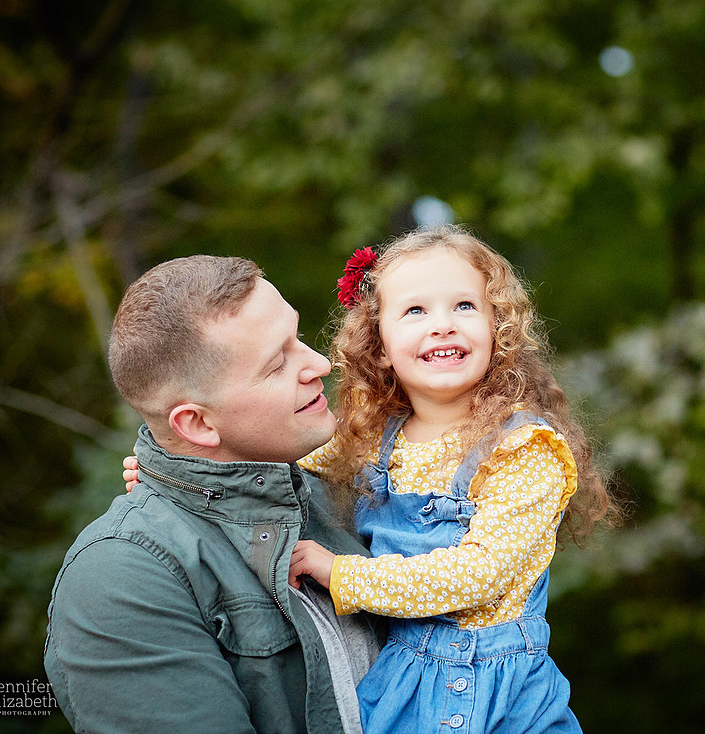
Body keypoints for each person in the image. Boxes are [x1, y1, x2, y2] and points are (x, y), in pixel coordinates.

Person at [287, 226, 618, 734]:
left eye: (464, 306)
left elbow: (477, 575)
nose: (442, 325)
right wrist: (170, 472)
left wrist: (343, 574)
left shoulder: (523, 450)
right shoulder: (374, 436)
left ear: (498, 328)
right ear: (378, 345)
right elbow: (282, 462)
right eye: (416, 311)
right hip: (399, 680)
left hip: (495, 692)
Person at [43, 256, 381, 734]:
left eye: (297, 338)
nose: (321, 364)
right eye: (277, 363)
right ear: (197, 423)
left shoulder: (353, 494)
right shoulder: (122, 578)